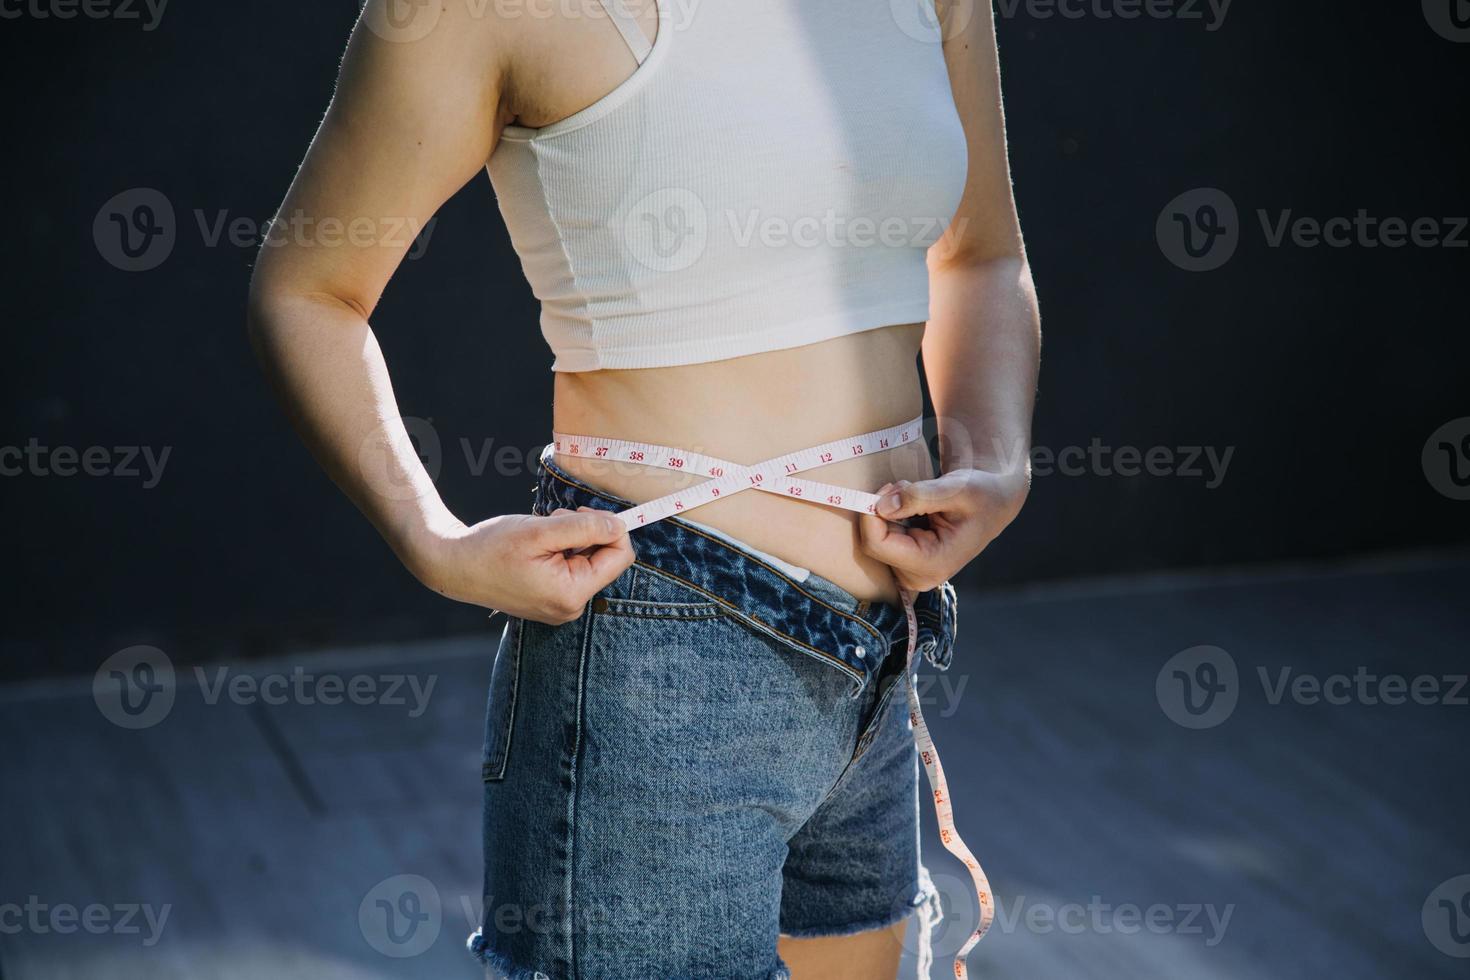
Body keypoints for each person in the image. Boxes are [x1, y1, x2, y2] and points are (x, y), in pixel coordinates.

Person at [246, 0, 1039, 976]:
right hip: (657, 647)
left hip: (882, 646)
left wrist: (997, 457)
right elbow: (308, 289)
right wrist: (430, 538)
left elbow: (983, 255)